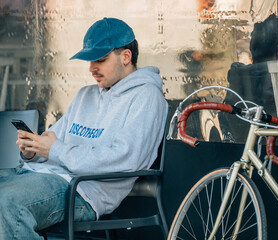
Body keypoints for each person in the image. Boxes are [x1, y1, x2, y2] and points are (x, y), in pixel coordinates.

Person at [0, 17, 168, 239]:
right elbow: (53, 142)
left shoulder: (147, 97)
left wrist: (55, 150)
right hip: (37, 175)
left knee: (6, 204)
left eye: (100, 59)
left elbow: (127, 158)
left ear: (126, 56)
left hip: (82, 191)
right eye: (89, 60)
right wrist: (34, 151)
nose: (91, 68)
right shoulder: (85, 95)